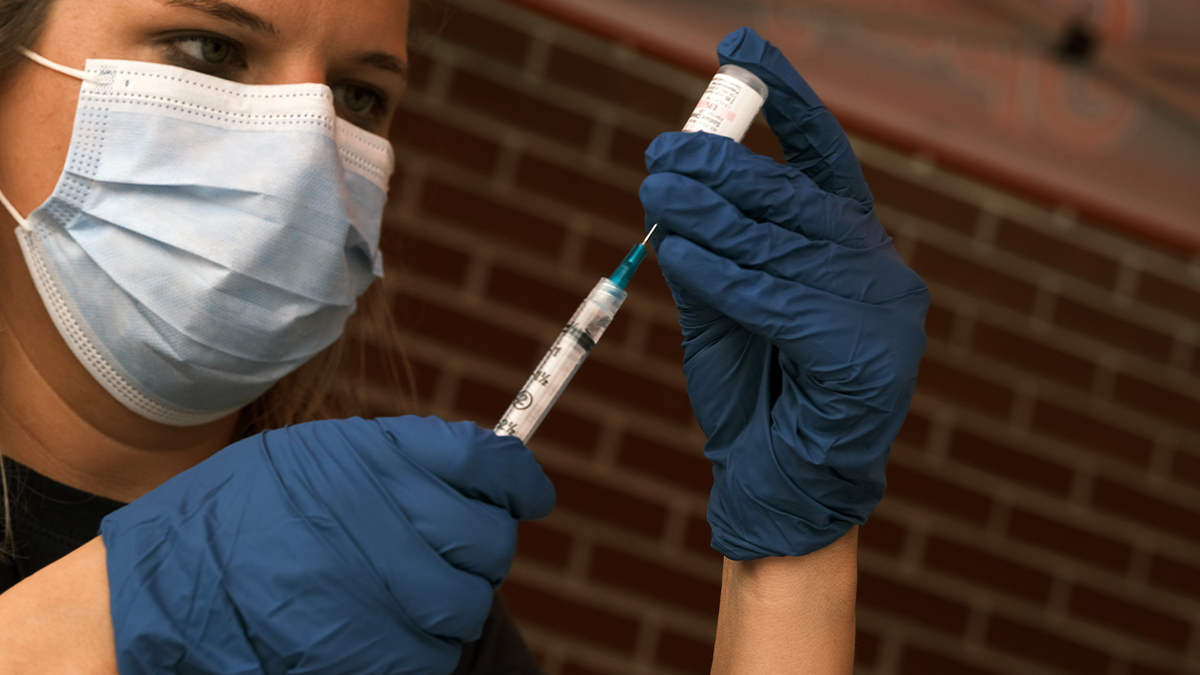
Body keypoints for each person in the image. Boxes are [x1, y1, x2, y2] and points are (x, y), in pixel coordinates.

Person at [0, 0, 927, 672]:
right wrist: (96, 622)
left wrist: (792, 555)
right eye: (211, 48)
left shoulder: (384, 596)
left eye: (360, 97)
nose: (301, 150)